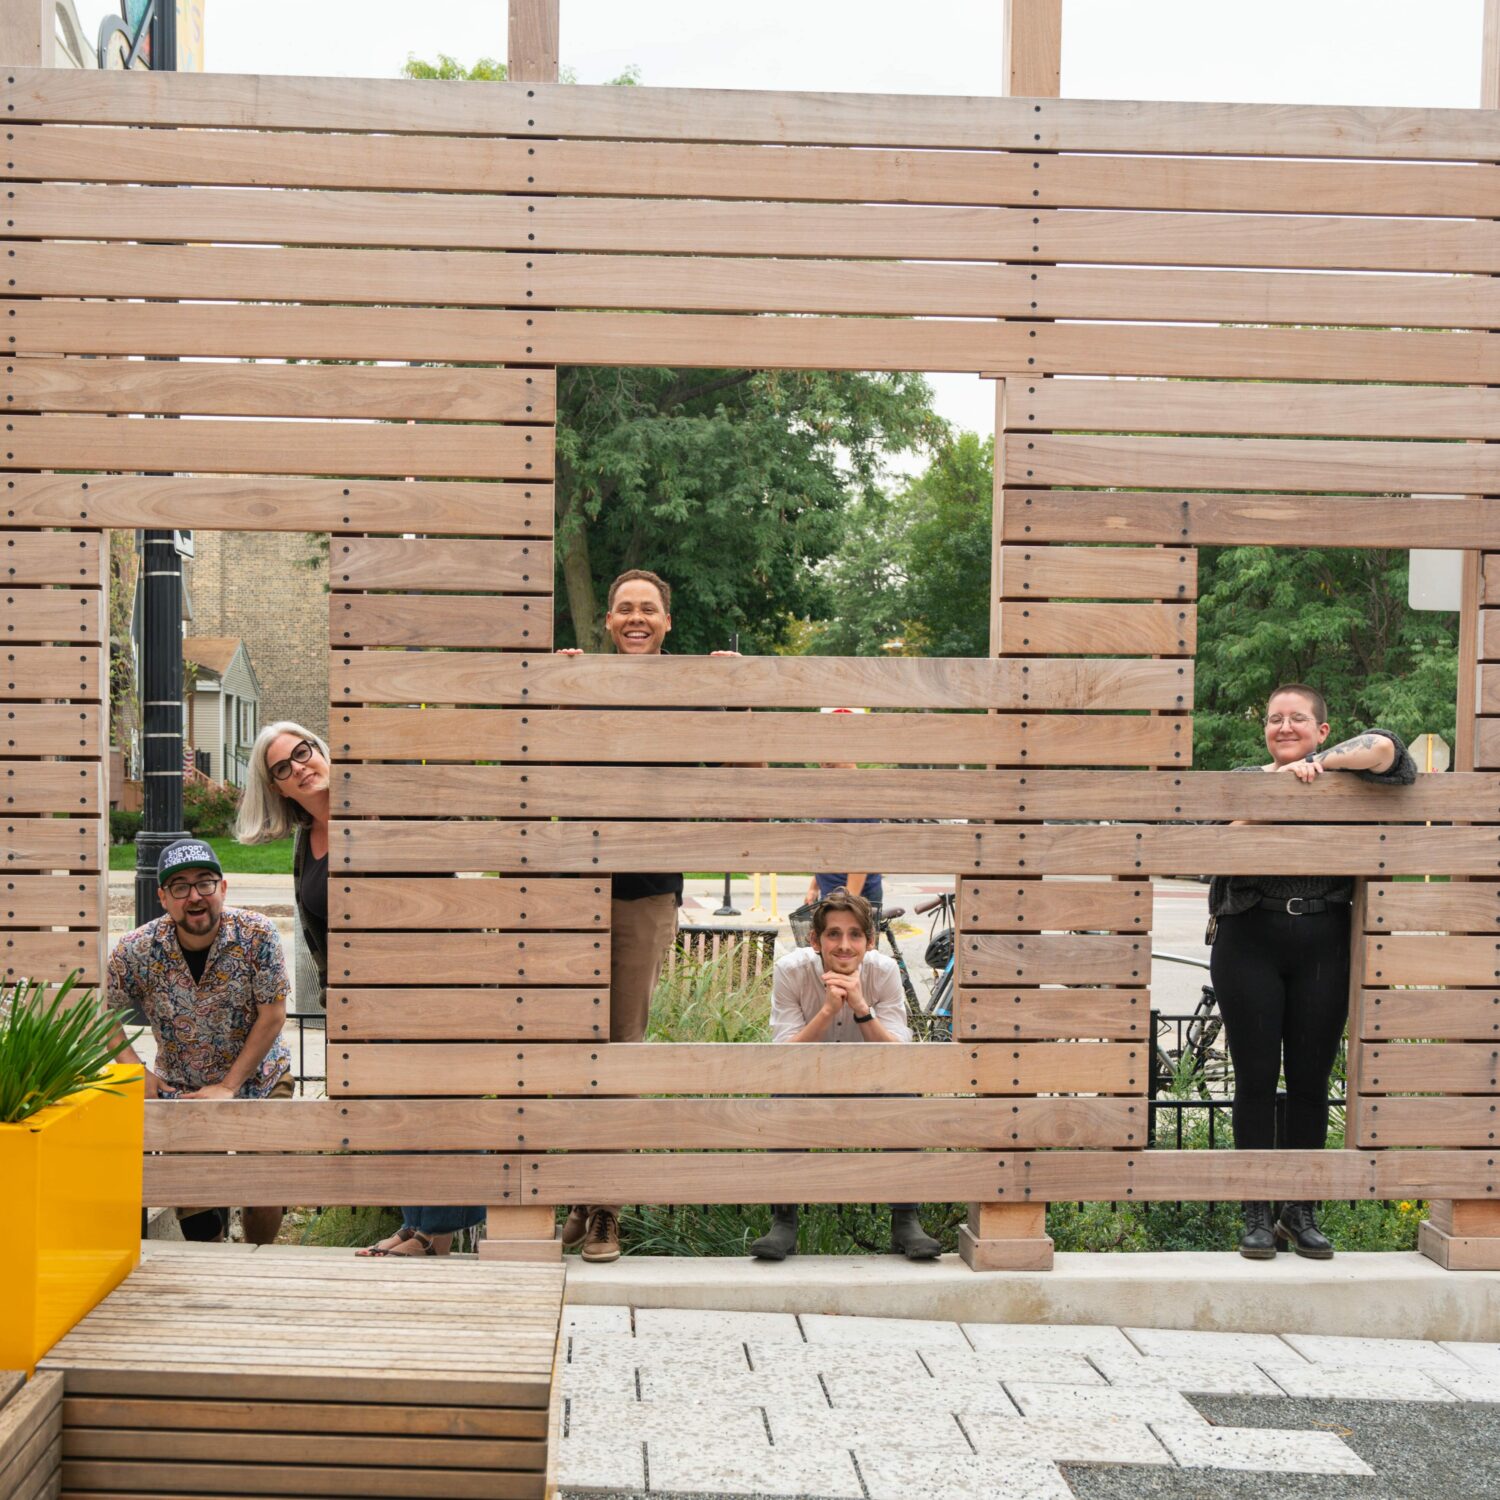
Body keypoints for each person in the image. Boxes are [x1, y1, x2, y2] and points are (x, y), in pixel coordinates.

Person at [238, 722, 483, 1258]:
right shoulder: (306, 842)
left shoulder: (379, 807)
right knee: (397, 1112)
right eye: (283, 767)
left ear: (321, 750)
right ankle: (414, 1223)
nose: (300, 767)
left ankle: (436, 1234)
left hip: (426, 984)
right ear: (277, 787)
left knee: (436, 1106)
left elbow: (445, 851)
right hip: (366, 1002)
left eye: (303, 751)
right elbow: (320, 933)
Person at [1209, 684, 1415, 1262]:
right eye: (1274, 719)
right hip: (1249, 938)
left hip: (1324, 940)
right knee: (1253, 1079)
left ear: (1322, 730)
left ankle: (1298, 1211)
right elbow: (1214, 845)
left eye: (1297, 718)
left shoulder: (1347, 774)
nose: (1283, 727)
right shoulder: (1245, 778)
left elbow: (1388, 750)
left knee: (1310, 1081)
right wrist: (1277, 790)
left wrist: (1321, 767)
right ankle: (1256, 1212)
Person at [556, 570, 687, 1263]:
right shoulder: (583, 686)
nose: (637, 618)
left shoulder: (689, 690)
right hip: (572, 888)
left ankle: (606, 1211)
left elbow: (746, 762)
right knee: (575, 1051)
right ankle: (582, 1194)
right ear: (608, 621)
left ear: (666, 623)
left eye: (649, 610)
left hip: (643, 894)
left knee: (621, 1049)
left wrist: (735, 690)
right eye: (625, 609)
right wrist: (556, 687)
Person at [106, 839, 293, 1245]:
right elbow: (99, 1011)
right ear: (162, 898)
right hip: (182, 1087)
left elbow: (273, 1015)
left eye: (205, 882)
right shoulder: (136, 949)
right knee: (192, 1194)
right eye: (180, 886)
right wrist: (136, 1070)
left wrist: (228, 1086)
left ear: (222, 888)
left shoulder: (257, 934)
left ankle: (258, 1257)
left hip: (260, 1077)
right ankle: (212, 1258)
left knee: (265, 1182)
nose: (194, 896)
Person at [749, 889, 942, 1262]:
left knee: (905, 1099)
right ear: (815, 940)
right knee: (782, 1100)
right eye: (833, 934)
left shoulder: (883, 971)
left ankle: (906, 1221)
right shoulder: (791, 970)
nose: (844, 945)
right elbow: (784, 1055)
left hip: (872, 1080)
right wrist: (826, 1011)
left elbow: (897, 1057)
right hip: (807, 1079)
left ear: (870, 941)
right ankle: (783, 1223)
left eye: (855, 935)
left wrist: (860, 1007)